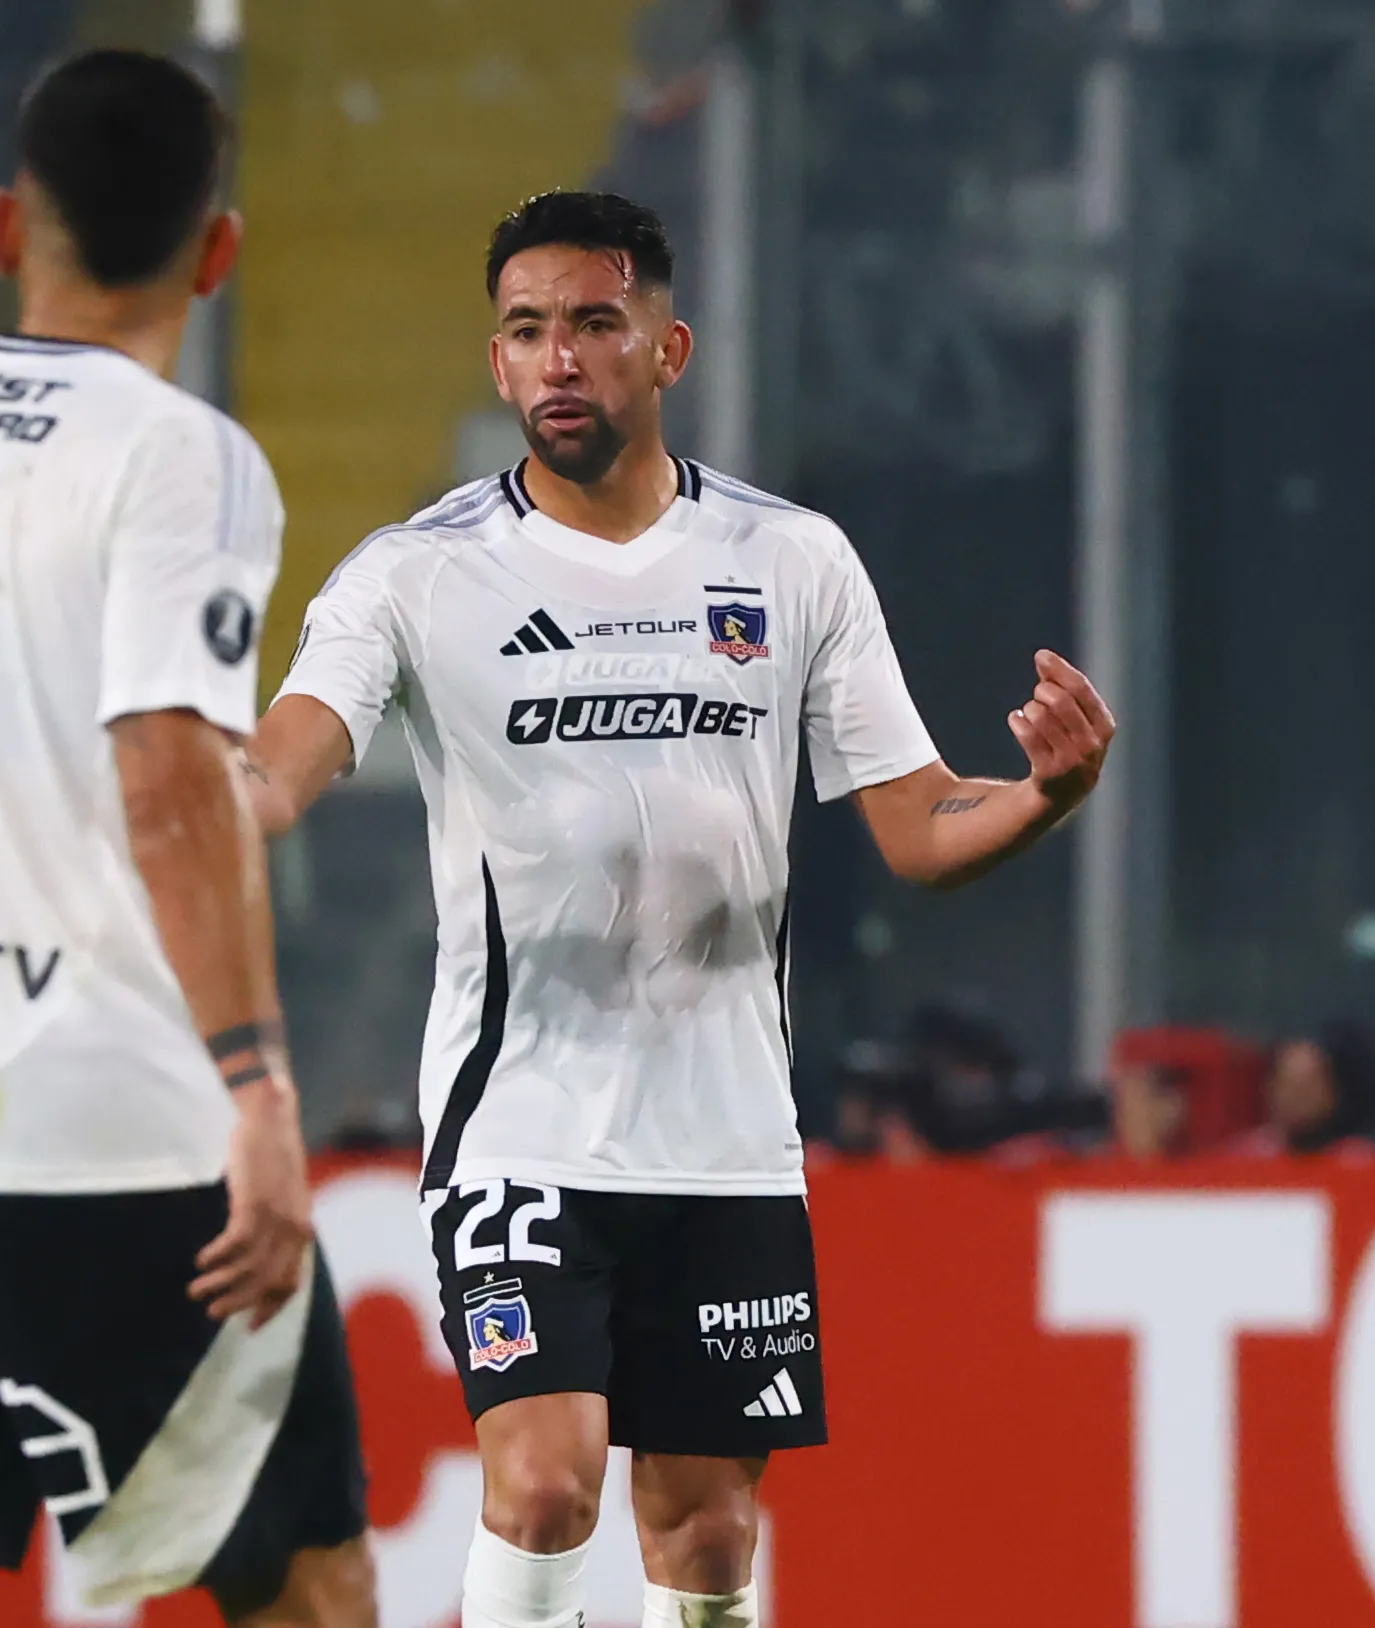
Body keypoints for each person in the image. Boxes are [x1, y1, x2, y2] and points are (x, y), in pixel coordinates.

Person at [240, 191, 1115, 1628]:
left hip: (722, 1134)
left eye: (593, 322)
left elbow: (917, 819)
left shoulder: (789, 562)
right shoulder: (414, 576)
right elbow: (279, 770)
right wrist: (188, 793)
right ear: (497, 361)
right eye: (527, 331)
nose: (558, 358)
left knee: (705, 1535)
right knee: (539, 1484)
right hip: (519, 1120)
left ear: (667, 346)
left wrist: (1041, 797)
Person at [0, 53, 374, 1628]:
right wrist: (257, 1087)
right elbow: (169, 777)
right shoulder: (177, 455)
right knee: (304, 1584)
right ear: (217, 248)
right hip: (114, 1141)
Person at [1232, 1020, 1375, 1156]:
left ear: (1331, 1093)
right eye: (1287, 1087)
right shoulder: (1249, 1157)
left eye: (1306, 1088)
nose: (1295, 1099)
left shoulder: (1357, 1161)